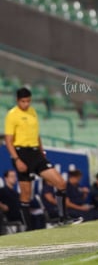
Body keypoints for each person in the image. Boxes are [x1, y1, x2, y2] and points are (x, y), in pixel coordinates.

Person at [3, 87, 78, 229]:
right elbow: (8, 140)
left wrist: (42, 151)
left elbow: (36, 135)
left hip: (35, 153)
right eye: (23, 101)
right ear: (18, 101)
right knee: (25, 194)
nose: (26, 104)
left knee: (60, 182)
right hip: (21, 153)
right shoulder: (12, 115)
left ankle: (63, 218)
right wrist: (16, 159)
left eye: (28, 101)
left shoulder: (33, 112)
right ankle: (29, 228)